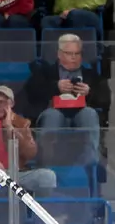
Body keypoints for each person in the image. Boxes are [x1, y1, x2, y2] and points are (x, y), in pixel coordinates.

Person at [25, 33, 107, 164]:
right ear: (59, 54)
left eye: (77, 53)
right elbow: (32, 92)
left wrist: (89, 92)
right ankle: (46, 162)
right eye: (69, 53)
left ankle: (90, 162)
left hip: (81, 111)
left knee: (90, 114)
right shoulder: (45, 72)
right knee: (52, 116)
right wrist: (55, 87)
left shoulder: (90, 74)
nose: (74, 58)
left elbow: (104, 99)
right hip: (54, 110)